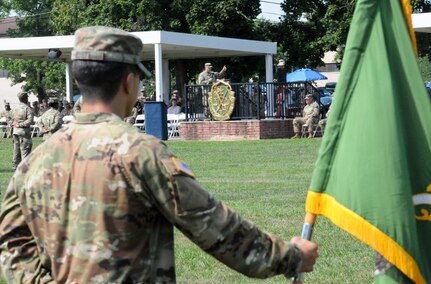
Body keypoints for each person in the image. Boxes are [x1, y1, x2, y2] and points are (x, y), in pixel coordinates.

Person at [0, 26, 318, 283]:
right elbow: (217, 228)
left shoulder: (35, 161)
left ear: (80, 80)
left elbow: (11, 244)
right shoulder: (142, 154)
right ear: (129, 82)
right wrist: (291, 256)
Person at [8, 91, 34, 170]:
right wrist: (20, 124)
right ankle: (24, 168)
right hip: (24, 132)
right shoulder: (27, 108)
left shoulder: (14, 108)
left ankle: (15, 166)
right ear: (25, 98)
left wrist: (13, 123)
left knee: (16, 150)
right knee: (25, 150)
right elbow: (30, 120)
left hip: (15, 132)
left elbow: (7, 118)